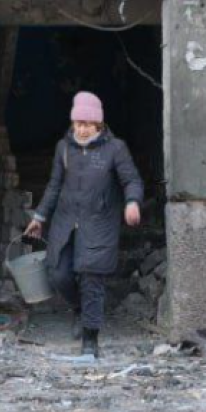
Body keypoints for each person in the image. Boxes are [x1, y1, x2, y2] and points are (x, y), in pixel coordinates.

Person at [23, 91, 143, 357]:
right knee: (59, 274)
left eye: (88, 124)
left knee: (91, 278)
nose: (83, 129)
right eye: (78, 123)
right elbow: (54, 185)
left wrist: (132, 202)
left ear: (99, 124)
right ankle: (80, 308)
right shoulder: (64, 148)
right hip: (66, 221)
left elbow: (131, 180)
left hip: (99, 223)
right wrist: (39, 217)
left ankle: (90, 340)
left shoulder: (115, 149)